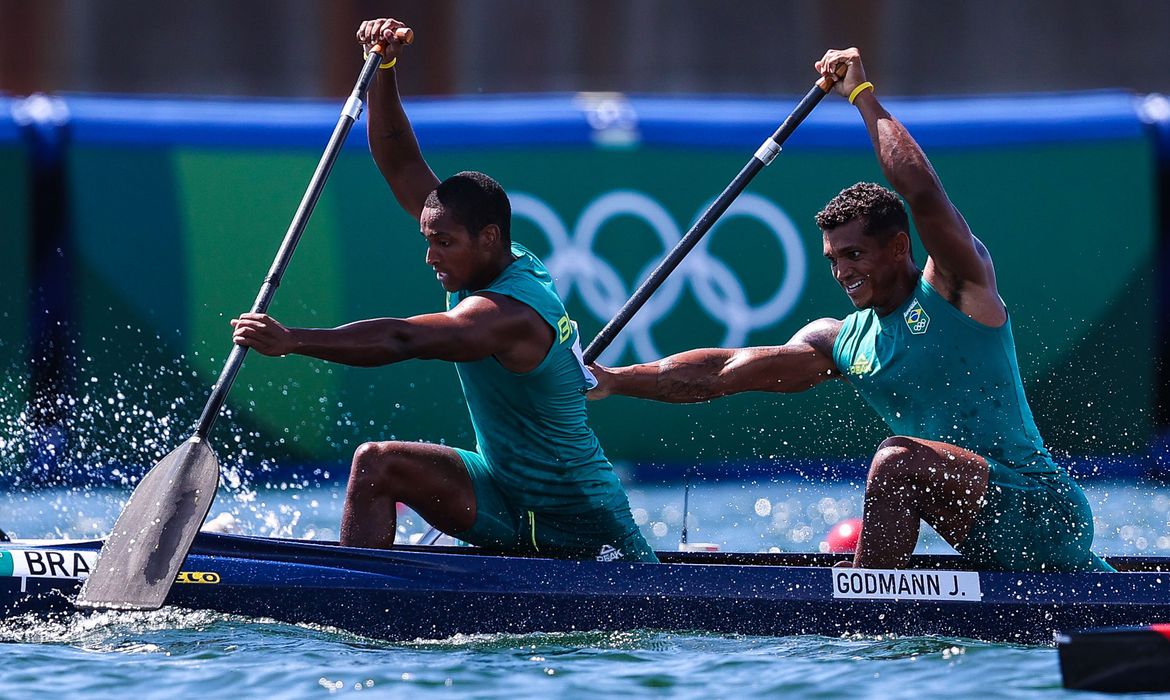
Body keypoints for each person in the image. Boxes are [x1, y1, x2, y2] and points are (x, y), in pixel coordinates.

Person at [589, 47, 1111, 573]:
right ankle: (871, 603)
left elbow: (922, 193)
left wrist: (863, 98)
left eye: (855, 255)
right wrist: (612, 380)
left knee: (896, 461)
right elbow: (722, 372)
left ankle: (860, 617)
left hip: (1043, 512)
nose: (842, 273)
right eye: (833, 259)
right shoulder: (840, 340)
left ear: (900, 247)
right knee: (897, 463)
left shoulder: (957, 286)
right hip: (984, 531)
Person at [230, 17, 656, 563]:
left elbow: (404, 340)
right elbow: (399, 160)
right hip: (505, 490)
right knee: (377, 462)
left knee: (377, 461)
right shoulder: (481, 251)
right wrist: (383, 68)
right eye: (429, 239)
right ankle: (359, 606)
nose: (431, 255)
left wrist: (294, 340)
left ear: (488, 237)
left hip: (577, 522)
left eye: (444, 243)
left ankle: (352, 597)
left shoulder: (505, 313)